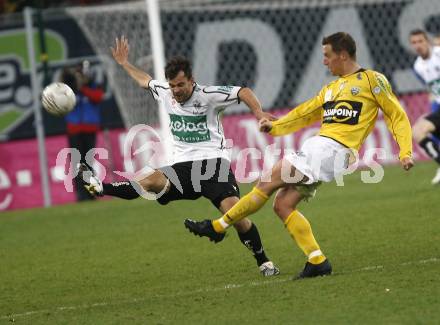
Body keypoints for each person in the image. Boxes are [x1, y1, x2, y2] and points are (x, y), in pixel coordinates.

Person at [184, 32, 414, 279]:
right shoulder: (330, 89)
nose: (324, 62)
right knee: (283, 205)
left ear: (343, 55)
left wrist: (405, 151)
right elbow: (305, 113)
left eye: (327, 56)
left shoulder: (371, 80)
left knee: (268, 179)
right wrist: (275, 126)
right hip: (327, 151)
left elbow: (396, 114)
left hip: (332, 148)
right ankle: (317, 260)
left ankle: (218, 226)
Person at [79, 36, 280, 276]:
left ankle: (264, 262)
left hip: (213, 165)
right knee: (151, 180)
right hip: (183, 167)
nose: (176, 90)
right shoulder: (166, 92)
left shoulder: (208, 95)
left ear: (191, 80)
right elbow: (145, 81)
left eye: (181, 85)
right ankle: (102, 188)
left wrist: (258, 112)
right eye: (172, 85)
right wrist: (124, 64)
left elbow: (243, 91)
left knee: (236, 215)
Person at [61, 62, 104, 201]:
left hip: (89, 129)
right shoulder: (69, 88)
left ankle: (91, 193)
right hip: (74, 130)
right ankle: (81, 195)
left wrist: (83, 88)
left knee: (88, 163)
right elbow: (62, 101)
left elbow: (97, 97)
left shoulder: (93, 85)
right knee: (77, 164)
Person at [409, 29, 440, 184]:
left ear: (427, 41)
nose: (418, 45)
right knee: (418, 131)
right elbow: (432, 90)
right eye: (414, 43)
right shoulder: (418, 67)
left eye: (420, 41)